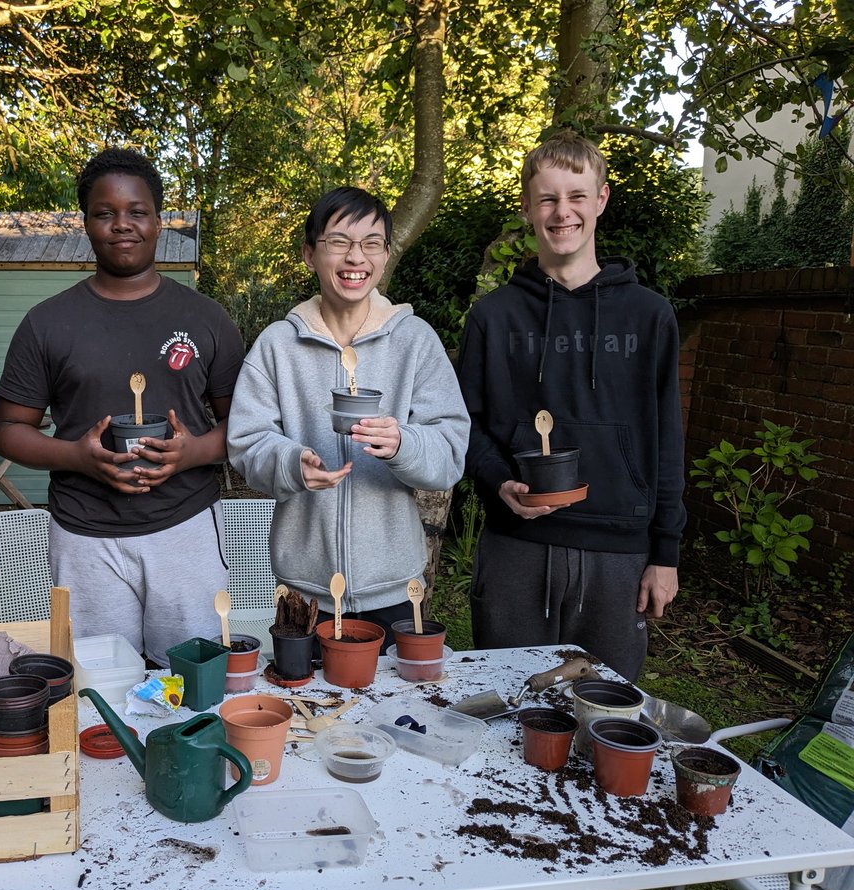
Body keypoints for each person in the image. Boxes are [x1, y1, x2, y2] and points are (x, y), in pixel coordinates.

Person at [0, 148, 245, 667]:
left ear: (159, 221)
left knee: (192, 685)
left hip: (185, 529)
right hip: (85, 536)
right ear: (85, 223)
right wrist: (79, 457)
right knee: (100, 693)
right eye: (105, 213)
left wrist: (192, 452)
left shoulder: (205, 318)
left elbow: (246, 426)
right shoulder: (48, 323)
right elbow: (8, 430)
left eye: (137, 212)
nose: (122, 225)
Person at [456, 130, 686, 681]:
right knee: (508, 713)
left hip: (618, 554)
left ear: (601, 200)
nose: (563, 213)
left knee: (602, 722)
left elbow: (667, 438)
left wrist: (666, 552)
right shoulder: (494, 317)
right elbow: (461, 424)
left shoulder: (649, 316)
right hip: (517, 547)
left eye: (577, 196)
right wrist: (496, 480)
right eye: (549, 198)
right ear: (528, 208)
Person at [227, 186, 469, 643]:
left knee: (400, 711)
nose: (355, 257)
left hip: (397, 588)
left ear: (383, 254)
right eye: (338, 241)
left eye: (370, 243)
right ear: (309, 254)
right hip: (303, 591)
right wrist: (290, 462)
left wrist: (404, 444)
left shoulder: (415, 341)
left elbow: (451, 449)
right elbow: (246, 442)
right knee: (311, 706)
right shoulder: (278, 345)